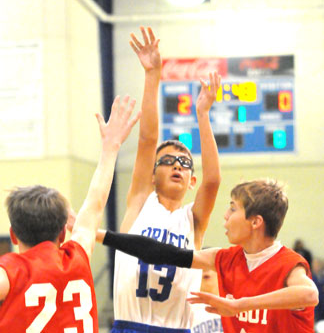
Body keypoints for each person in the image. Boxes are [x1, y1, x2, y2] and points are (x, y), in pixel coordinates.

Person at [97, 26, 222, 333]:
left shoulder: (194, 220)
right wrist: (153, 76)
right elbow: (147, 139)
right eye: (167, 161)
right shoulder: (141, 200)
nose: (177, 165)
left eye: (184, 163)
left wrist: (203, 115)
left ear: (191, 180)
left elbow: (214, 181)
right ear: (152, 175)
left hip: (176, 328)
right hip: (129, 325)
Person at [102, 179, 319, 333]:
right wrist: (102, 236)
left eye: (233, 209)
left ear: (255, 222)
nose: (225, 216)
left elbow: (310, 295)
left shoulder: (289, 263)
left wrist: (239, 305)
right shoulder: (225, 258)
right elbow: (162, 252)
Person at [0, 95, 140, 332]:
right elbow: (96, 202)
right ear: (64, 232)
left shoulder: (9, 273)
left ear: (13, 235)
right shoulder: (78, 255)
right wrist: (111, 147)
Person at [191, 253, 224, 333]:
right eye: (200, 265)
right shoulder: (188, 308)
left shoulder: (234, 304)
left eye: (210, 265)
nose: (205, 269)